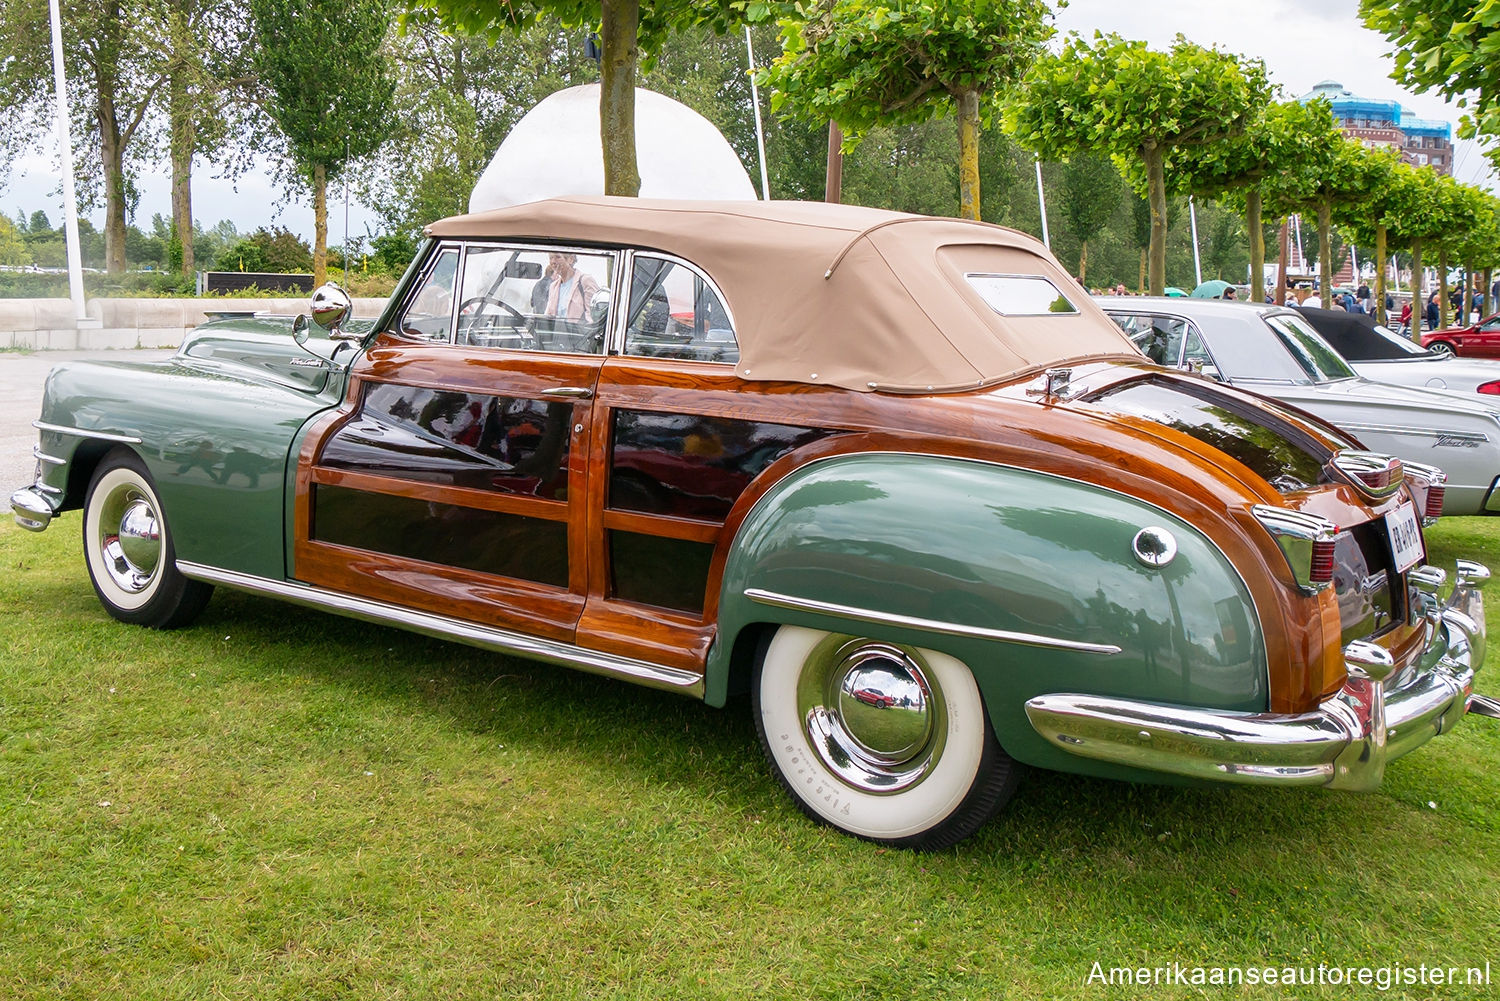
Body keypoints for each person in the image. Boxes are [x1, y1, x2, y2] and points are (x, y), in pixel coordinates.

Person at [541, 252, 600, 320]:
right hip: (557, 330)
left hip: (579, 329)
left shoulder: (585, 281)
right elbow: (548, 315)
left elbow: (593, 315)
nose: (553, 261)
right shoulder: (553, 286)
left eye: (558, 257)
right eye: (551, 258)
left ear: (571, 259)